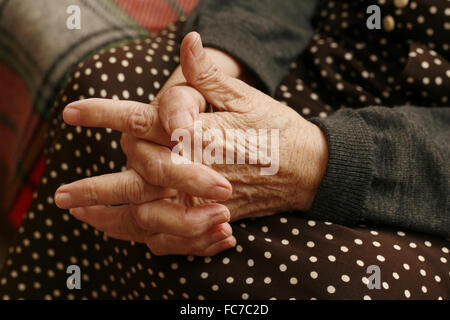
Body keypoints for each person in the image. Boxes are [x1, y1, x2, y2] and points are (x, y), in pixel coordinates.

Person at [0, 0, 448, 300]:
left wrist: (324, 160)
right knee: (115, 98)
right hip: (321, 52)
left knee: (328, 279)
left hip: (428, 164)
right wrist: (201, 79)